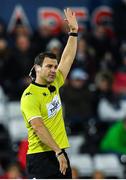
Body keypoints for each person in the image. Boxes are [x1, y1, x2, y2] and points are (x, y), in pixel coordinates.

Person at [20, 8, 78, 179]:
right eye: (49, 67)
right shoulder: (29, 96)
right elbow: (38, 127)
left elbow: (67, 59)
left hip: (59, 152)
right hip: (41, 156)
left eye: (55, 66)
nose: (54, 70)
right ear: (37, 68)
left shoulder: (55, 83)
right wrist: (58, 152)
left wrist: (73, 33)